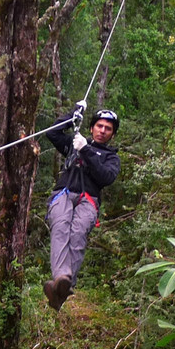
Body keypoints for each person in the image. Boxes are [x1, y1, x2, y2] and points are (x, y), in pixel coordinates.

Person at [43, 102, 120, 311]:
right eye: (99, 126)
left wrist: (85, 150)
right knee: (61, 226)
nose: (103, 131)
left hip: (89, 198)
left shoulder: (111, 157)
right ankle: (62, 280)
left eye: (108, 129)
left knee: (77, 234)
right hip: (64, 192)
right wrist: (74, 114)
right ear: (92, 127)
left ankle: (63, 285)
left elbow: (105, 177)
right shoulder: (74, 143)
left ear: (112, 134)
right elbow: (53, 133)